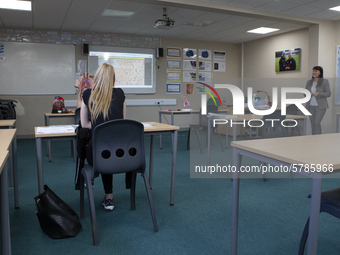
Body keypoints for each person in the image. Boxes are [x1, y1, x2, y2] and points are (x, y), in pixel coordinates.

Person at [80, 63, 126, 211]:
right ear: (113, 80)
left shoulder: (87, 94)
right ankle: (109, 198)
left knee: (90, 141)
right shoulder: (120, 93)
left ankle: (90, 176)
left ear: (97, 78)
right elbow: (122, 122)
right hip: (120, 154)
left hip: (96, 156)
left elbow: (84, 124)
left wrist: (97, 127)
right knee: (107, 147)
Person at [305, 66, 331, 135]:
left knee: (316, 123)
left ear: (320, 72)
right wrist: (308, 94)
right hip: (310, 106)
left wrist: (318, 94)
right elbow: (305, 94)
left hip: (320, 106)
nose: (314, 72)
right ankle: (314, 139)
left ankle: (318, 140)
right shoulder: (309, 82)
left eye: (316, 71)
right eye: (313, 71)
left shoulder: (324, 81)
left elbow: (328, 93)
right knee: (313, 124)